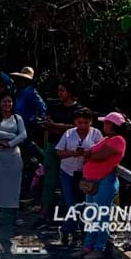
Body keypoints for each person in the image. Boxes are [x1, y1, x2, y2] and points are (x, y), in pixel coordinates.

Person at [77, 111, 127, 259]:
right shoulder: (106, 139)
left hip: (104, 181)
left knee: (102, 217)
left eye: (106, 122)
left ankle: (99, 248)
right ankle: (88, 246)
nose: (103, 124)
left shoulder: (118, 140)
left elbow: (100, 156)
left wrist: (86, 154)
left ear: (112, 125)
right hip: (92, 182)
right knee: (92, 216)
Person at [37, 81, 86, 229]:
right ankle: (44, 213)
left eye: (62, 90)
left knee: (70, 184)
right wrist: (61, 128)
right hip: (53, 147)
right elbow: (47, 124)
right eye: (58, 90)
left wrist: (57, 127)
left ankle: (68, 217)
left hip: (72, 151)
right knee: (49, 180)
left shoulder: (79, 109)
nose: (59, 94)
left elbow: (78, 128)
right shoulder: (54, 107)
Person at [55, 108, 105, 246]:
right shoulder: (68, 134)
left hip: (87, 174)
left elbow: (101, 151)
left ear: (91, 122)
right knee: (71, 204)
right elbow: (58, 152)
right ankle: (69, 228)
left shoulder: (96, 134)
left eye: (86, 123)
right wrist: (72, 153)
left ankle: (81, 232)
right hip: (68, 172)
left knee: (85, 204)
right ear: (75, 122)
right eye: (80, 122)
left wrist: (89, 155)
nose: (83, 126)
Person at [0, 92, 28, 227]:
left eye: (9, 101)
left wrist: (10, 143)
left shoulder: (18, 118)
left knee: (15, 186)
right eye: (4, 101)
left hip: (14, 156)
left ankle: (16, 215)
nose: (7, 104)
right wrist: (13, 136)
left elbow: (24, 135)